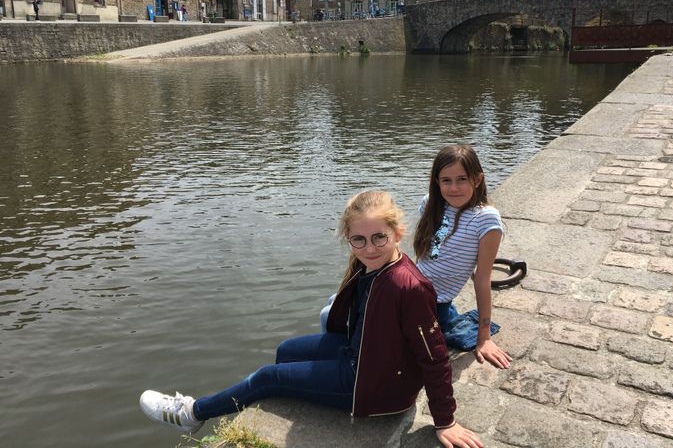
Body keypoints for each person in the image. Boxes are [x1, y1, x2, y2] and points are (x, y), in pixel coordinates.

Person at [140, 191, 484, 448]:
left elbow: (435, 356)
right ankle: (255, 395)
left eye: (379, 237)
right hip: (358, 354)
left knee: (266, 377)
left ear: (397, 233)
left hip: (373, 386)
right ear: (348, 238)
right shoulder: (373, 265)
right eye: (358, 240)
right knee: (286, 350)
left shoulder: (407, 286)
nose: (369, 247)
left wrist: (445, 420)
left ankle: (192, 413)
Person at [414, 145, 512, 369]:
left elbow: (482, 279)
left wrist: (484, 337)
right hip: (410, 289)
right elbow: (424, 259)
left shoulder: (485, 219)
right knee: (336, 308)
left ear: (477, 179)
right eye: (446, 180)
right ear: (437, 182)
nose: (454, 188)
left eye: (462, 179)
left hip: (430, 305)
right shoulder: (430, 204)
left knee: (339, 319)